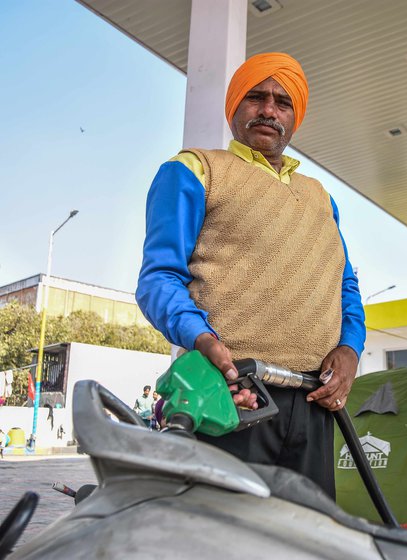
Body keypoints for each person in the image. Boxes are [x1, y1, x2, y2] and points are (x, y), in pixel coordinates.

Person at [136, 52, 365, 499]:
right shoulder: (195, 170)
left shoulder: (320, 196)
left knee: (307, 541)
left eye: (282, 102)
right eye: (256, 97)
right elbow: (158, 278)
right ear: (235, 107)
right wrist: (204, 340)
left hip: (315, 402)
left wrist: (350, 348)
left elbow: (345, 284)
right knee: (225, 539)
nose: (269, 110)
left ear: (295, 117)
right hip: (232, 395)